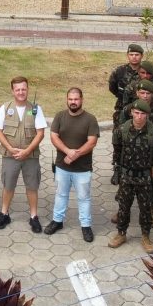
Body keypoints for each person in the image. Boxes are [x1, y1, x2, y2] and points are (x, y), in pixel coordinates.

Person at [107, 100, 153, 253]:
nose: (139, 117)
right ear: (131, 112)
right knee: (123, 206)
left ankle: (145, 236)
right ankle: (121, 233)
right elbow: (117, 151)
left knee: (146, 208)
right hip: (127, 176)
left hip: (145, 177)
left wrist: (150, 164)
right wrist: (118, 170)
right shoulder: (121, 131)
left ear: (147, 115)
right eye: (136, 113)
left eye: (143, 114)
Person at [0, 76, 48, 232]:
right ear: (12, 91)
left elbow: (40, 133)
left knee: (32, 186)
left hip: (30, 156)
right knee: (8, 185)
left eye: (23, 89)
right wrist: (10, 149)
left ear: (28, 90)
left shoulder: (36, 109)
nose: (21, 92)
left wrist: (27, 151)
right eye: (17, 89)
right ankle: (4, 213)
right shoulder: (5, 108)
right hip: (10, 155)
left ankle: (33, 217)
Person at [46, 87, 100, 243]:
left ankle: (85, 225)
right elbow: (54, 137)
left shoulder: (90, 119)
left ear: (82, 100)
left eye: (76, 99)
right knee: (61, 195)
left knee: (84, 198)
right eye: (70, 99)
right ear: (66, 100)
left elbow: (92, 142)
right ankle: (57, 221)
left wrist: (75, 154)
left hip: (83, 169)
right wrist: (67, 151)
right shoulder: (59, 116)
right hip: (62, 167)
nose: (73, 102)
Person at [107, 44, 146, 111]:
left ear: (142, 56)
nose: (134, 57)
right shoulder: (119, 71)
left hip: (142, 109)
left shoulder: (147, 72)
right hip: (122, 108)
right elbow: (112, 87)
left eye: (137, 55)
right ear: (127, 55)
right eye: (131, 55)